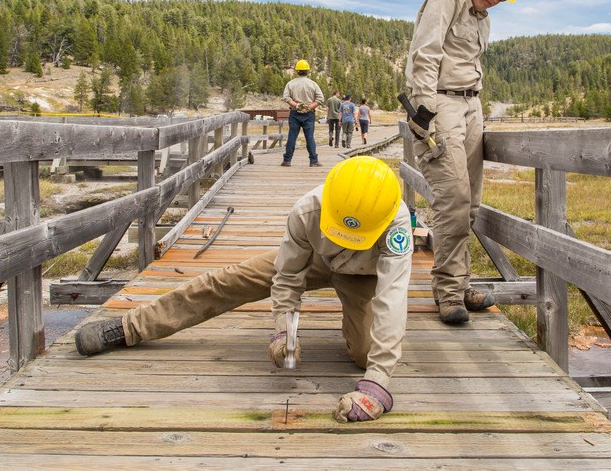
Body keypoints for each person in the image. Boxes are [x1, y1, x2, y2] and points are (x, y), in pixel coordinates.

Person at [74, 156, 414, 423]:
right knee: (226, 281)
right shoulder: (307, 210)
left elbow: (392, 298)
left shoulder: (396, 225)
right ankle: (129, 327)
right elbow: (287, 277)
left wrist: (378, 382)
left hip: (364, 277)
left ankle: (364, 343)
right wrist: (285, 332)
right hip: (315, 259)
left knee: (365, 355)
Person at [404, 0, 531, 325]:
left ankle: (460, 284)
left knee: (471, 203)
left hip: (471, 106)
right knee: (453, 198)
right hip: (441, 104)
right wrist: (423, 111)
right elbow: (424, 55)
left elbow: (470, 65)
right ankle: (447, 292)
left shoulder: (483, 19)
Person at [281, 59, 325, 167]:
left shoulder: (291, 84)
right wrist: (310, 107)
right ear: (307, 71)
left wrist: (296, 105)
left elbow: (286, 97)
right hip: (309, 114)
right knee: (309, 137)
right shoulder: (312, 84)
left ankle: (287, 160)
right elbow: (320, 98)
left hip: (295, 112)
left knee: (292, 136)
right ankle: (313, 161)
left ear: (297, 71)